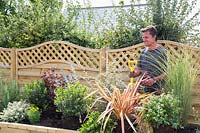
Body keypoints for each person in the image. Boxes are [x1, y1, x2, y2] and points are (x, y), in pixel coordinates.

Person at [129, 25, 167, 94]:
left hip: (158, 90)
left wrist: (154, 80)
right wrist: (133, 73)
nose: (144, 39)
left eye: (146, 37)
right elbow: (139, 70)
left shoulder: (162, 52)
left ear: (154, 37)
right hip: (143, 89)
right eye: (143, 37)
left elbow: (167, 73)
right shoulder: (143, 52)